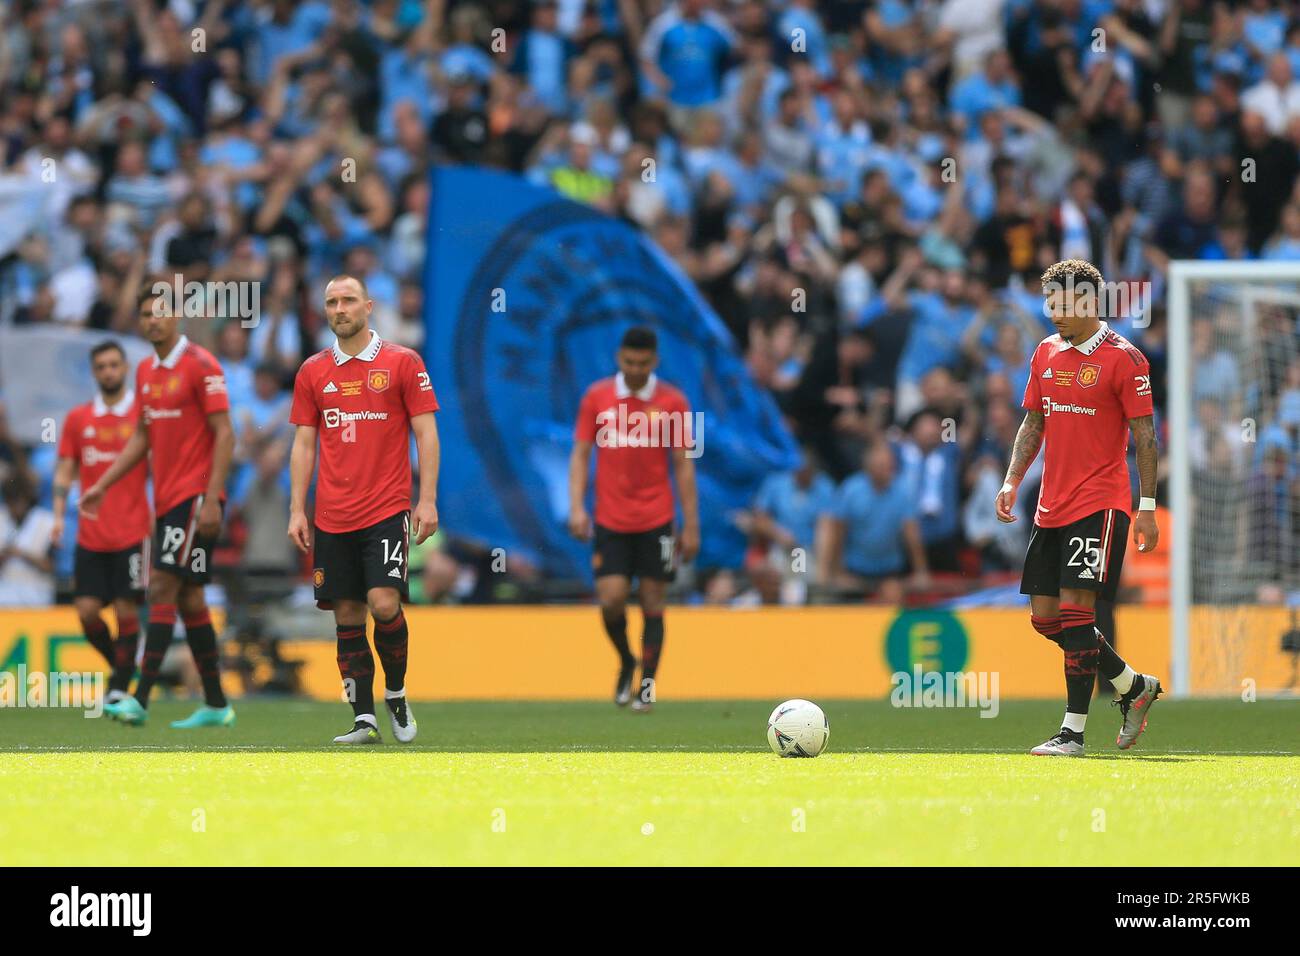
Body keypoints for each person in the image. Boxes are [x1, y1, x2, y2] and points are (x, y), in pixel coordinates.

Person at [996, 259, 1162, 756]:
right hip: (1052, 505)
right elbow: (1032, 425)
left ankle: (1072, 733)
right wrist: (1011, 480)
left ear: (1090, 302)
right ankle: (1135, 686)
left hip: (1102, 502)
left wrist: (1147, 507)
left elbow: (1146, 438)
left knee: (1076, 611)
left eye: (1064, 305)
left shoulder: (1125, 359)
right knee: (1046, 619)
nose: (1054, 315)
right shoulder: (1045, 353)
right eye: (1050, 304)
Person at [287, 275, 440, 744]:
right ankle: (363, 718)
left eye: (348, 300)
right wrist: (297, 509)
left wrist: (428, 498)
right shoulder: (313, 370)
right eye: (331, 301)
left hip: (385, 509)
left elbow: (426, 434)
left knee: (383, 602)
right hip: (332, 515)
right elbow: (305, 443)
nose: (339, 308)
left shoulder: (401, 363)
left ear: (368, 307)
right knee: (347, 615)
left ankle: (395, 691)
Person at [81, 285, 237, 728]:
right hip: (168, 500)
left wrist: (211, 498)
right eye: (145, 313)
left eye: (160, 312)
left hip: (194, 496)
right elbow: (143, 438)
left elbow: (225, 433)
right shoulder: (146, 371)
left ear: (176, 318)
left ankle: (140, 699)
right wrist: (103, 484)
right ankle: (216, 703)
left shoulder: (201, 364)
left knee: (163, 586)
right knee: (190, 596)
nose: (152, 320)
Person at [568, 327, 700, 712]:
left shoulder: (673, 402)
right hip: (611, 518)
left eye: (643, 363)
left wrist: (690, 524)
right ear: (618, 359)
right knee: (610, 600)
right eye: (630, 362)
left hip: (657, 518)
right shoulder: (597, 397)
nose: (636, 369)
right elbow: (580, 454)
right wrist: (577, 506)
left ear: (655, 361)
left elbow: (683, 466)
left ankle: (647, 686)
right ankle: (626, 660)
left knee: (653, 600)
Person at [51, 341, 151, 706]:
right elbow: (65, 468)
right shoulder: (79, 419)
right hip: (91, 535)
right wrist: (59, 515)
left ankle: (119, 684)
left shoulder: (142, 416)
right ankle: (121, 667)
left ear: (124, 368)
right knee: (86, 612)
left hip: (133, 532)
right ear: (94, 373)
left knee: (127, 611)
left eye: (114, 365)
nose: (108, 371)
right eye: (102, 366)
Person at [0, 474, 55, 607]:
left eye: (18, 501)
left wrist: (22, 554)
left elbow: (50, 566)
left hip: (36, 595)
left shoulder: (46, 521)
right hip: (4, 595)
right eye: (10, 501)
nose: (14, 507)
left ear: (27, 499)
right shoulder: (2, 518)